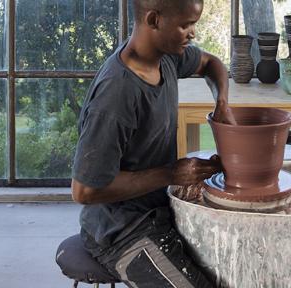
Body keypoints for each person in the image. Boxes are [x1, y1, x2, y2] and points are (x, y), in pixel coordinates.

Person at [71, 0, 235, 286]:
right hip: (120, 231)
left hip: (159, 210)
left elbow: (211, 63)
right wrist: (171, 174)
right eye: (186, 25)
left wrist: (222, 101)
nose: (193, 33)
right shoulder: (117, 94)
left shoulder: (166, 57)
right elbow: (84, 191)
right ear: (154, 19)